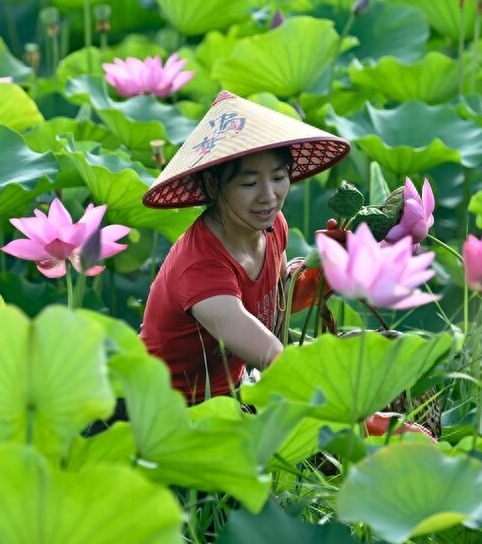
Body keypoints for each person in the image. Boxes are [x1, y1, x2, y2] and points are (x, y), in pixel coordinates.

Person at [138, 90, 351, 405]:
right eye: (249, 184)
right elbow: (272, 357)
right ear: (213, 185)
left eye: (279, 178)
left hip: (230, 394)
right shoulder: (201, 268)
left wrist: (334, 265)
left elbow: (281, 297)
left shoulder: (272, 225)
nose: (269, 196)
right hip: (166, 409)